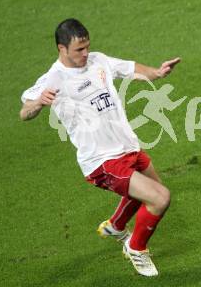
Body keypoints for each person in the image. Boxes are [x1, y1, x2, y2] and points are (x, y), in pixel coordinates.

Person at [20, 18, 181, 276]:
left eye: (87, 47)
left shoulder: (98, 60)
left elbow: (129, 68)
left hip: (128, 147)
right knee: (160, 198)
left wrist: (157, 72)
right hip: (102, 160)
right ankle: (136, 248)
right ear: (61, 49)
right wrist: (38, 103)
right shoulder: (54, 77)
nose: (85, 54)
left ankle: (116, 226)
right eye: (79, 50)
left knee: (156, 189)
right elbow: (24, 112)